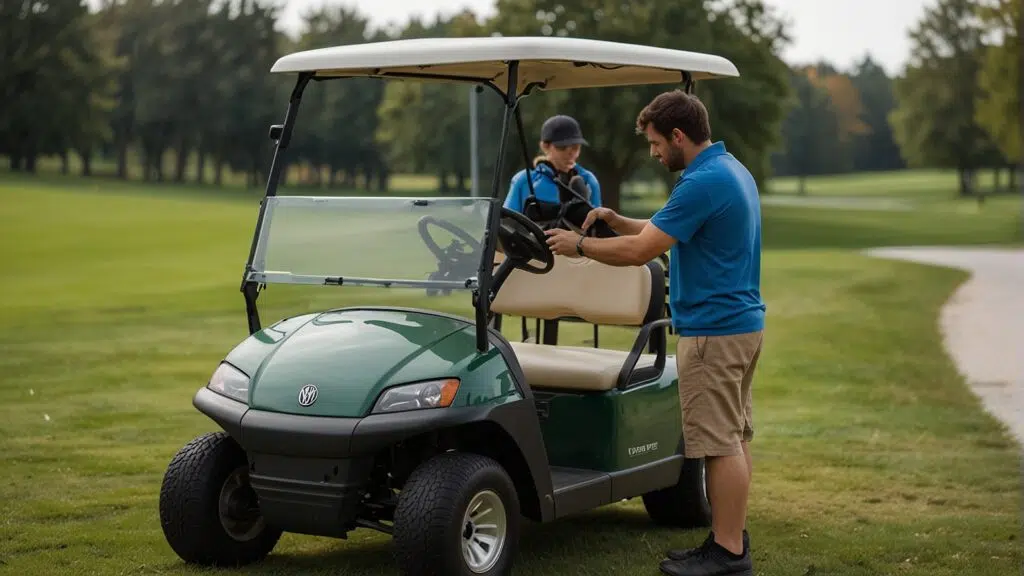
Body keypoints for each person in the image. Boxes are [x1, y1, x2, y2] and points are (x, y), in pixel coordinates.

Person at [544, 90, 765, 576]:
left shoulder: (701, 182)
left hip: (713, 333)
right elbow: (665, 229)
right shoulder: (730, 170)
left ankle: (728, 554)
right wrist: (618, 220)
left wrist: (578, 245)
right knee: (734, 436)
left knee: (718, 444)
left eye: (656, 143)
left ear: (679, 136)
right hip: (741, 328)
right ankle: (729, 538)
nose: (653, 152)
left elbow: (640, 253)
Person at [503, 114, 602, 228]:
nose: (571, 153)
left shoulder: (588, 180)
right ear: (545, 146)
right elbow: (507, 224)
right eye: (562, 147)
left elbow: (597, 228)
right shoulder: (525, 180)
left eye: (575, 147)